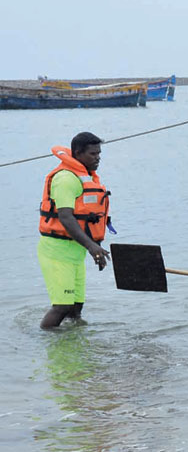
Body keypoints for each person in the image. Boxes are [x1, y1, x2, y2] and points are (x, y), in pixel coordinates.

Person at [37, 132, 111, 329]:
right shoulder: (65, 179)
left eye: (99, 154)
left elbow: (88, 220)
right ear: (77, 153)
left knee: (76, 307)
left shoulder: (86, 178)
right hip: (57, 252)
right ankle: (47, 340)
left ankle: (74, 347)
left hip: (76, 253)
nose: (98, 158)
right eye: (93, 154)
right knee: (62, 306)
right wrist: (92, 247)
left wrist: (96, 249)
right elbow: (66, 218)